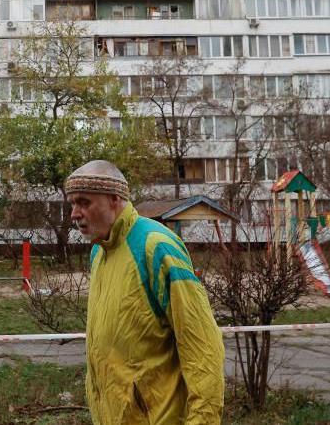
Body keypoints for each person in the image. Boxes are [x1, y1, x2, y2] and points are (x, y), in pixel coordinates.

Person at [66, 160, 224, 425]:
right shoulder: (99, 251)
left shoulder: (157, 246)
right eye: (72, 203)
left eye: (84, 202)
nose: (74, 213)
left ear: (114, 199)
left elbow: (203, 348)